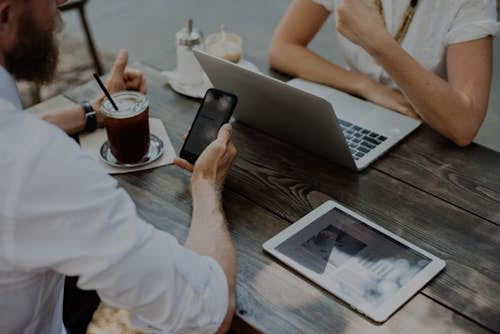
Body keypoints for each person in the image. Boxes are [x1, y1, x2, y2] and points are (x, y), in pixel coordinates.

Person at [0, 1, 237, 334]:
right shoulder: (34, 162)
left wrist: (93, 112)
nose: (58, 9)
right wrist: (206, 183)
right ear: (4, 15)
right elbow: (209, 309)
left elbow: (11, 128)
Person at [269, 0, 500, 146]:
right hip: (355, 112)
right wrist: (366, 86)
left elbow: (464, 126)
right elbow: (282, 48)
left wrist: (378, 44)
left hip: (426, 132)